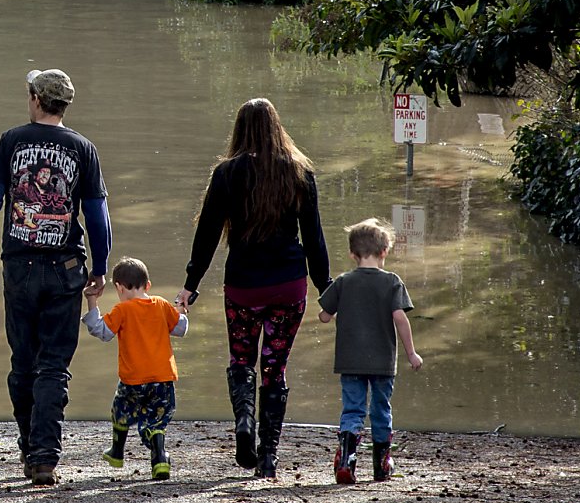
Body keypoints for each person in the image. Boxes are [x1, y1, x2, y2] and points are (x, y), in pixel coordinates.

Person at [178, 97, 329, 479]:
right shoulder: (299, 172)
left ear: (239, 129)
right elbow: (314, 238)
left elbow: (208, 233)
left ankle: (243, 424)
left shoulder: (227, 173)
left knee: (242, 360)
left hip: (243, 287)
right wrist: (325, 287)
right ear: (277, 127)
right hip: (288, 287)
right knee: (274, 369)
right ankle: (268, 457)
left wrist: (190, 285)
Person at [0, 68, 111, 486]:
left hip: (19, 266)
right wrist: (101, 268)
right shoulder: (83, 148)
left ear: (36, 99)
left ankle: (27, 445)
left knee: (23, 361)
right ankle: (44, 456)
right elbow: (97, 215)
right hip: (66, 268)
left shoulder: (11, 141)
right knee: (54, 365)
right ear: (64, 103)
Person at [317, 217, 422, 483]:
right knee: (380, 409)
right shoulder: (392, 282)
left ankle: (347, 460)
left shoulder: (344, 281)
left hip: (350, 361)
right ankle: (381, 465)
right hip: (383, 362)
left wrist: (328, 311)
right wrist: (411, 353)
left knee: (352, 409)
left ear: (352, 254)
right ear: (384, 251)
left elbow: (325, 316)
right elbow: (400, 318)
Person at [81, 256, 188, 479]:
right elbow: (180, 329)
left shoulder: (122, 310)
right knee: (156, 420)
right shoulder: (161, 305)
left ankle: (117, 452)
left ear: (119, 287)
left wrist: (92, 301)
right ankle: (159, 459)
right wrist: (180, 310)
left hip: (133, 380)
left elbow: (101, 331)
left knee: (120, 410)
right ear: (147, 285)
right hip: (163, 378)